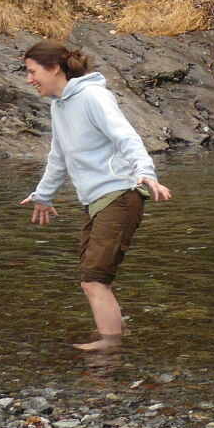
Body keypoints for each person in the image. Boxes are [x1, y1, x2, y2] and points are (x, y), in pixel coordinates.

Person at [19, 39, 173, 351]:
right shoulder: (60, 105)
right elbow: (59, 157)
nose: (29, 79)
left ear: (54, 69)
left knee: (94, 279)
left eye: (33, 72)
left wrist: (147, 172)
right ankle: (117, 336)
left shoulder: (92, 96)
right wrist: (44, 196)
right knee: (89, 279)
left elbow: (125, 136)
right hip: (100, 202)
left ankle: (110, 346)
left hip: (120, 195)